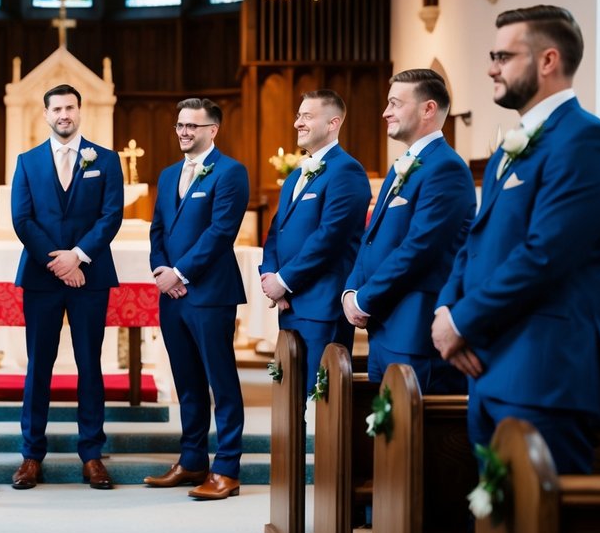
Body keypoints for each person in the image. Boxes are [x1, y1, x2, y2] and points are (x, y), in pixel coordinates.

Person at [432, 5, 600, 475]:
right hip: (489, 367)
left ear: (547, 60)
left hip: (544, 373)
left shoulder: (588, 142)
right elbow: (474, 241)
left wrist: (461, 320)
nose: (490, 68)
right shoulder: (509, 145)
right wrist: (446, 307)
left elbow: (546, 255)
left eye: (503, 55)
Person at [9, 84, 124, 491]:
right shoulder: (26, 162)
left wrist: (78, 256)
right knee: (39, 365)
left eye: (70, 107)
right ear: (45, 114)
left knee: (89, 365)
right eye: (56, 108)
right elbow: (22, 219)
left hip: (89, 276)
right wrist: (58, 263)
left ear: (80, 111)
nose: (64, 114)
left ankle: (92, 454)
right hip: (42, 278)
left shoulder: (106, 160)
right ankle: (31, 455)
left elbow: (111, 216)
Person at [342, 70, 473, 394]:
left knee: (409, 438)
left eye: (395, 103)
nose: (386, 112)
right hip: (386, 325)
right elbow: (369, 237)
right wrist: (350, 290)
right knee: (386, 437)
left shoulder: (446, 168)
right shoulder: (402, 165)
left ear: (428, 109)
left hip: (414, 330)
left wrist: (365, 298)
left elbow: (419, 249)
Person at [146, 98, 250, 500]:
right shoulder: (170, 173)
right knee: (186, 382)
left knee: (220, 381)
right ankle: (192, 460)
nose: (184, 132)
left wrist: (181, 273)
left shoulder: (230, 172)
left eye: (192, 126)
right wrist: (161, 270)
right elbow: (158, 229)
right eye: (179, 125)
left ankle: (227, 467)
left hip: (208, 294)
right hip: (172, 296)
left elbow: (221, 233)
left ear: (213, 130)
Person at [259, 90, 371, 394]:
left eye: (307, 116)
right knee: (290, 398)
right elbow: (275, 233)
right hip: (290, 304)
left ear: (333, 122)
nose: (298, 123)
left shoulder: (347, 171)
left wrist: (284, 279)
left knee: (321, 400)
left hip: (322, 305)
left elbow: (330, 238)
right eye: (298, 116)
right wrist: (269, 274)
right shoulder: (296, 176)